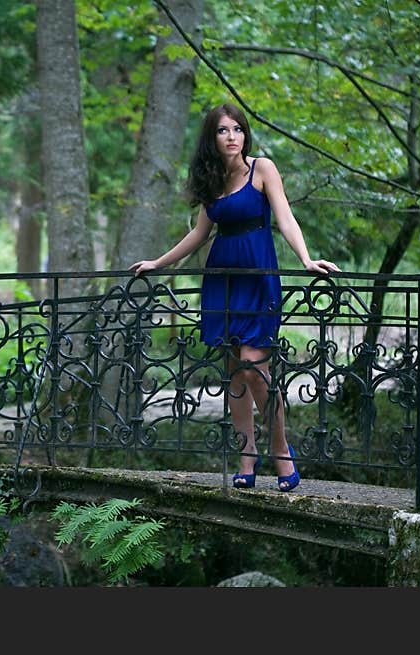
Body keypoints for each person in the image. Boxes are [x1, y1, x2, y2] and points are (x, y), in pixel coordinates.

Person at [129, 103, 340, 492]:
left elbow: (285, 218)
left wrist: (307, 259)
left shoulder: (263, 169)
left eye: (238, 129)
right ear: (213, 138)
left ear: (246, 135)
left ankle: (281, 451)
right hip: (222, 280)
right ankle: (247, 455)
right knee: (234, 370)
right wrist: (159, 263)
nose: (232, 137)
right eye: (223, 130)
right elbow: (198, 235)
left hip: (258, 278)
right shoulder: (212, 181)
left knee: (254, 366)